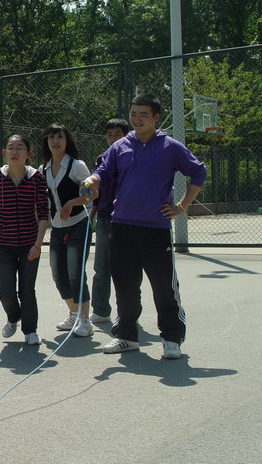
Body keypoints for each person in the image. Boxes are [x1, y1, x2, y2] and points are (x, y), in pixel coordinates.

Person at [82, 94, 206, 359]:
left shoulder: (170, 147)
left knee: (163, 287)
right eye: (133, 114)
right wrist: (92, 180)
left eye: (143, 115)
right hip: (121, 227)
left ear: (156, 118)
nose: (137, 120)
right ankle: (127, 336)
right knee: (125, 286)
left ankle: (171, 338)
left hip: (155, 229)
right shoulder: (120, 146)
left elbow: (198, 172)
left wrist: (182, 206)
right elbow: (103, 172)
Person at [0, 134, 49, 346]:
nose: (15, 152)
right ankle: (13, 317)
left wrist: (37, 245)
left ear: (29, 153)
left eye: (20, 147)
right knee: (6, 292)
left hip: (29, 245)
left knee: (27, 291)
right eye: (11, 147)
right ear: (4, 153)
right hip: (4, 246)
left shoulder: (36, 178)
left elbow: (43, 213)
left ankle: (31, 331)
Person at [39, 123, 96, 337]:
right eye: (51, 137)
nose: (55, 141)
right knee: (58, 273)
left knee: (75, 273)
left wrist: (72, 202)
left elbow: (92, 193)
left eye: (60, 137)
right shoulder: (43, 169)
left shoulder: (76, 166)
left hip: (78, 224)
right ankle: (73, 314)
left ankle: (85, 320)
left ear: (67, 141)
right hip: (57, 228)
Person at [89, 118, 129, 324]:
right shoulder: (102, 159)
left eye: (117, 134)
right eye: (109, 134)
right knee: (101, 267)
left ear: (126, 136)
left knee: (126, 270)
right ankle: (101, 310)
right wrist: (92, 213)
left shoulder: (133, 157)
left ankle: (128, 312)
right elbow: (98, 191)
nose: (113, 138)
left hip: (128, 219)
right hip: (105, 218)